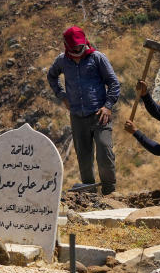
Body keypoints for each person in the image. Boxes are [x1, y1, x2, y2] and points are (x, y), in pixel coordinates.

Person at [48, 26, 120, 194]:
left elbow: (114, 83)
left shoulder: (97, 58)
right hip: (77, 116)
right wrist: (62, 95)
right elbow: (51, 76)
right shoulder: (62, 61)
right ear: (67, 45)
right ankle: (90, 194)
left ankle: (110, 192)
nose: (78, 50)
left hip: (99, 115)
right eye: (74, 47)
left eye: (80, 46)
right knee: (84, 158)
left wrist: (108, 106)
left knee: (105, 152)